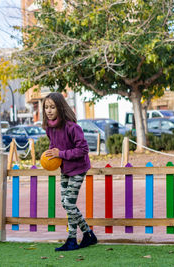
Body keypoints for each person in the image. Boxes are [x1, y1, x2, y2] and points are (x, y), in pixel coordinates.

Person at [43, 92, 97, 251]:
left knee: (68, 203)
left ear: (60, 107)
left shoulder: (73, 127)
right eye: (46, 107)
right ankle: (88, 234)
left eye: (52, 107)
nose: (49, 110)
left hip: (78, 169)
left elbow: (83, 149)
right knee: (65, 203)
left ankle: (72, 239)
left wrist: (60, 153)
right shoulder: (49, 128)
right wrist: (49, 155)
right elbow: (54, 146)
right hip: (65, 169)